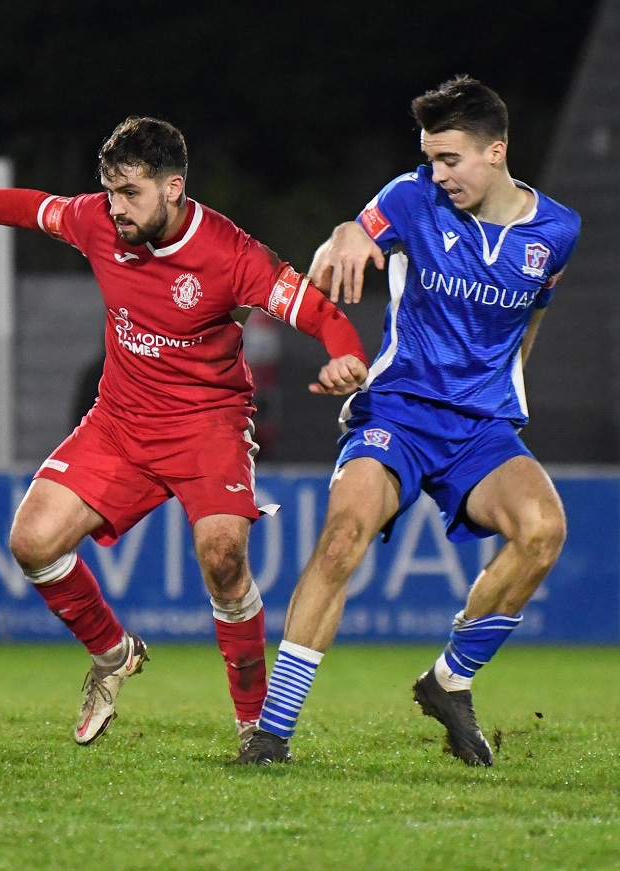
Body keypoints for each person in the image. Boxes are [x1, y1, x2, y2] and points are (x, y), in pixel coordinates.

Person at [0, 116, 369, 751]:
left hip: (208, 426)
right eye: (109, 192)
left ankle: (254, 725)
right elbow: (30, 209)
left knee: (223, 557)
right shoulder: (98, 223)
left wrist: (345, 354)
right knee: (32, 542)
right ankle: (113, 654)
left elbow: (319, 310)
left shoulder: (230, 253)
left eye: (129, 193)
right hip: (120, 423)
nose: (114, 209)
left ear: (173, 188)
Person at [236, 75, 581, 767]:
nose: (438, 172)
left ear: (496, 151)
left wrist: (507, 393)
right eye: (430, 157)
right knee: (342, 534)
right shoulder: (411, 197)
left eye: (450, 158)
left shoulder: (557, 233)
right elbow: (354, 231)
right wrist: (342, 241)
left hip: (480, 426)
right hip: (397, 409)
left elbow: (531, 318)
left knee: (543, 531)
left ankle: (449, 681)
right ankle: (272, 735)